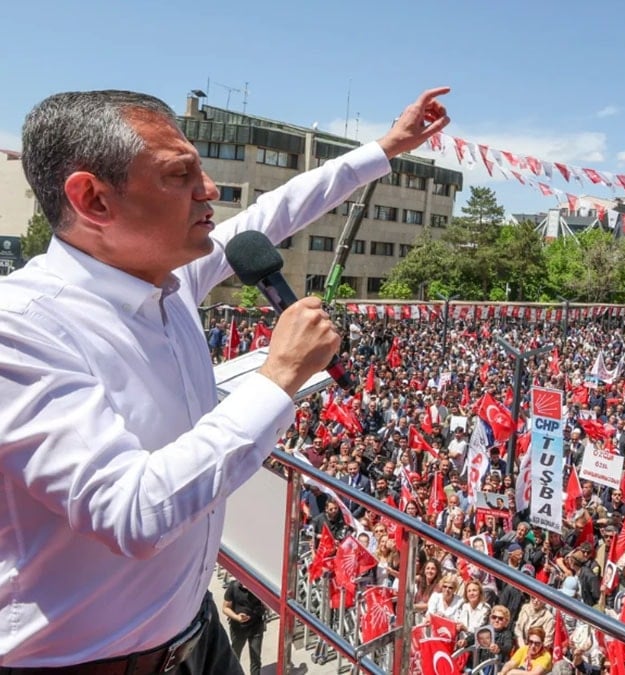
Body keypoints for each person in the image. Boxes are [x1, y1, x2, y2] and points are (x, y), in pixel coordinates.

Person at [0, 86, 450, 668]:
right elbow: (131, 513)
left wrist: (389, 147)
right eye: (180, 175)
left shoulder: (169, 280)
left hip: (196, 636)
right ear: (93, 199)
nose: (208, 191)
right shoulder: (23, 326)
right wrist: (280, 374)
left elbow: (277, 211)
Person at [221, 580, 267, 675]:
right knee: (235, 655)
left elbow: (268, 606)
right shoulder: (233, 587)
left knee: (256, 657)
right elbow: (225, 608)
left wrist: (263, 601)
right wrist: (237, 617)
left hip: (256, 627)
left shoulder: (259, 587)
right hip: (238, 628)